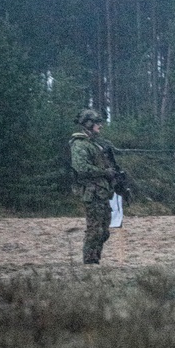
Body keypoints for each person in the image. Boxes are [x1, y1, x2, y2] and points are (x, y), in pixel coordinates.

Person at [69, 109, 125, 265]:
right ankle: (89, 260)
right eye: (97, 123)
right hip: (92, 192)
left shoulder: (95, 144)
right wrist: (104, 172)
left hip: (102, 192)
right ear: (88, 124)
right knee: (95, 229)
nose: (100, 126)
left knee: (104, 230)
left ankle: (95, 258)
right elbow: (81, 167)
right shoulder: (79, 144)